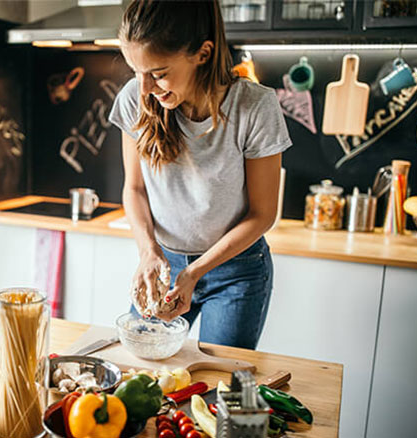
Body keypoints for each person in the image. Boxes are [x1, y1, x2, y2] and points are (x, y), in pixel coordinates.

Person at [108, 0, 292, 349]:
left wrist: (194, 273)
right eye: (136, 72)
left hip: (237, 271)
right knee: (142, 368)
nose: (144, 87)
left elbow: (263, 214)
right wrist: (148, 252)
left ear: (203, 53)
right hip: (163, 263)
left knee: (218, 381)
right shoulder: (135, 99)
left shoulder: (254, 107)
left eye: (158, 73)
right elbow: (134, 189)